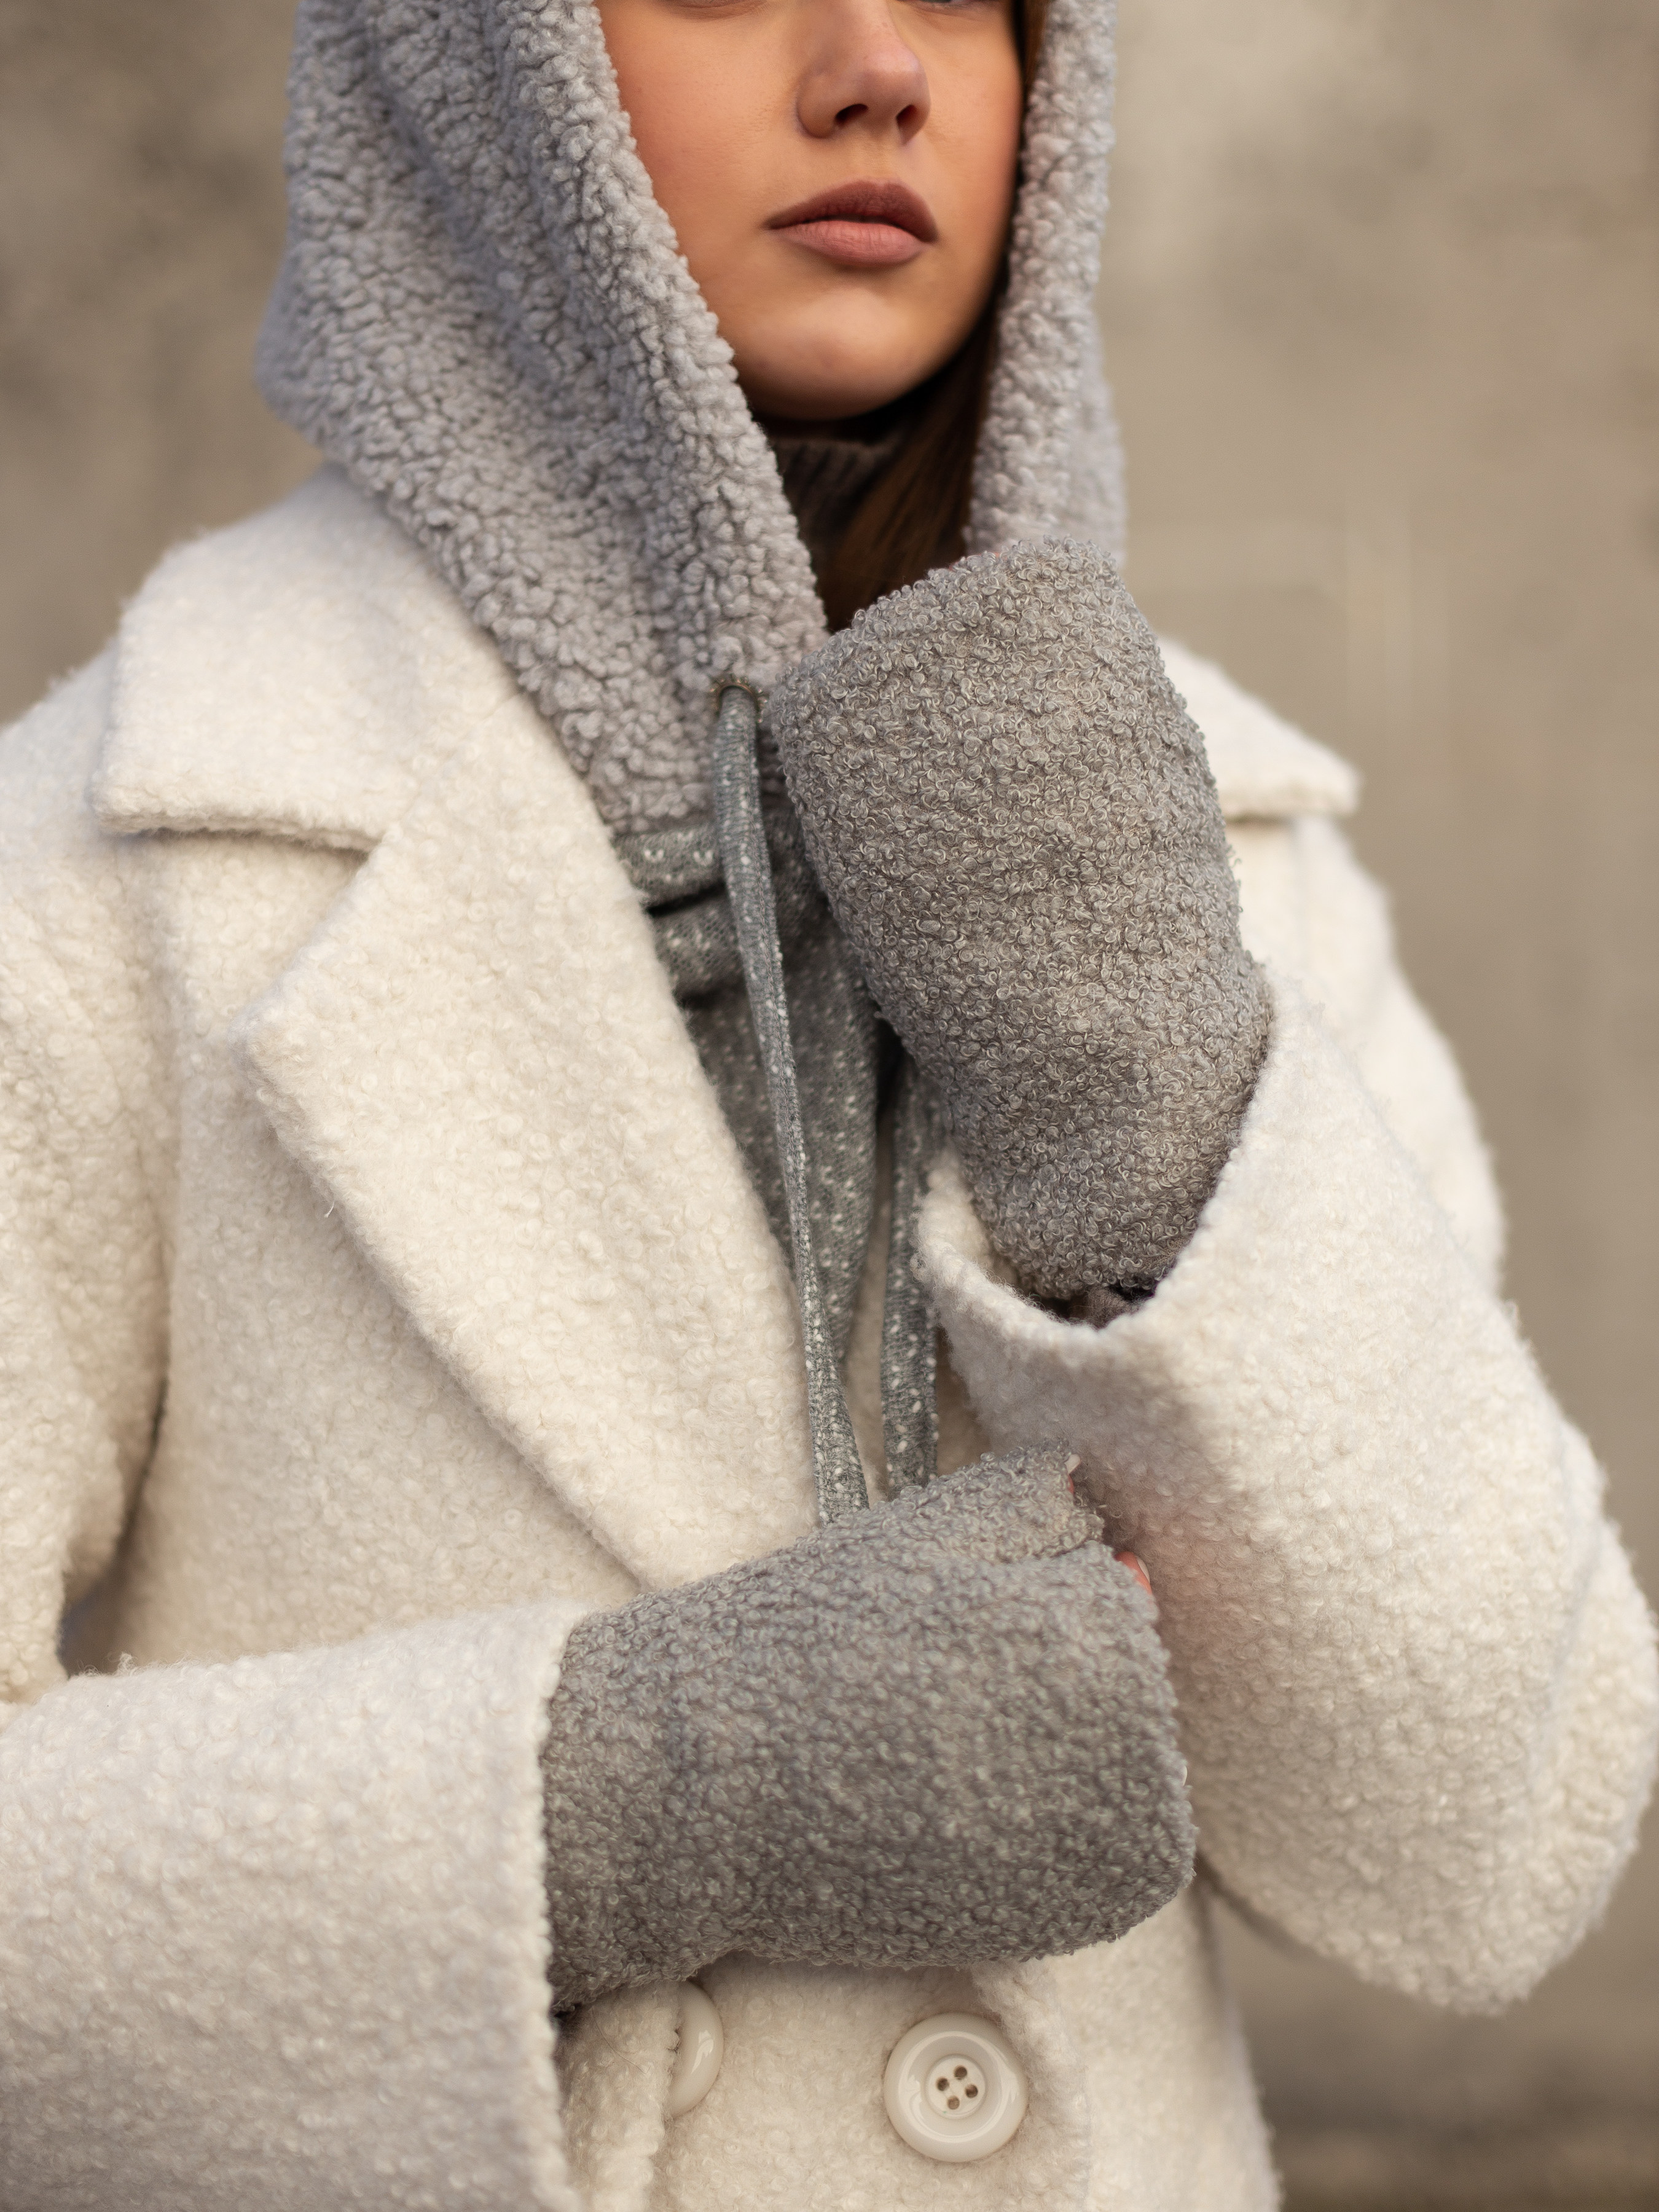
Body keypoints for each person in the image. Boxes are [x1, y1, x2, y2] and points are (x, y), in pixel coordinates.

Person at [0, 0, 1653, 2203]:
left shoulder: (1221, 851)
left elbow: (1487, 1853)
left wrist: (1157, 1125)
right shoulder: (122, 861)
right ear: (474, 67)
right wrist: (629, 1796)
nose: (878, 63)